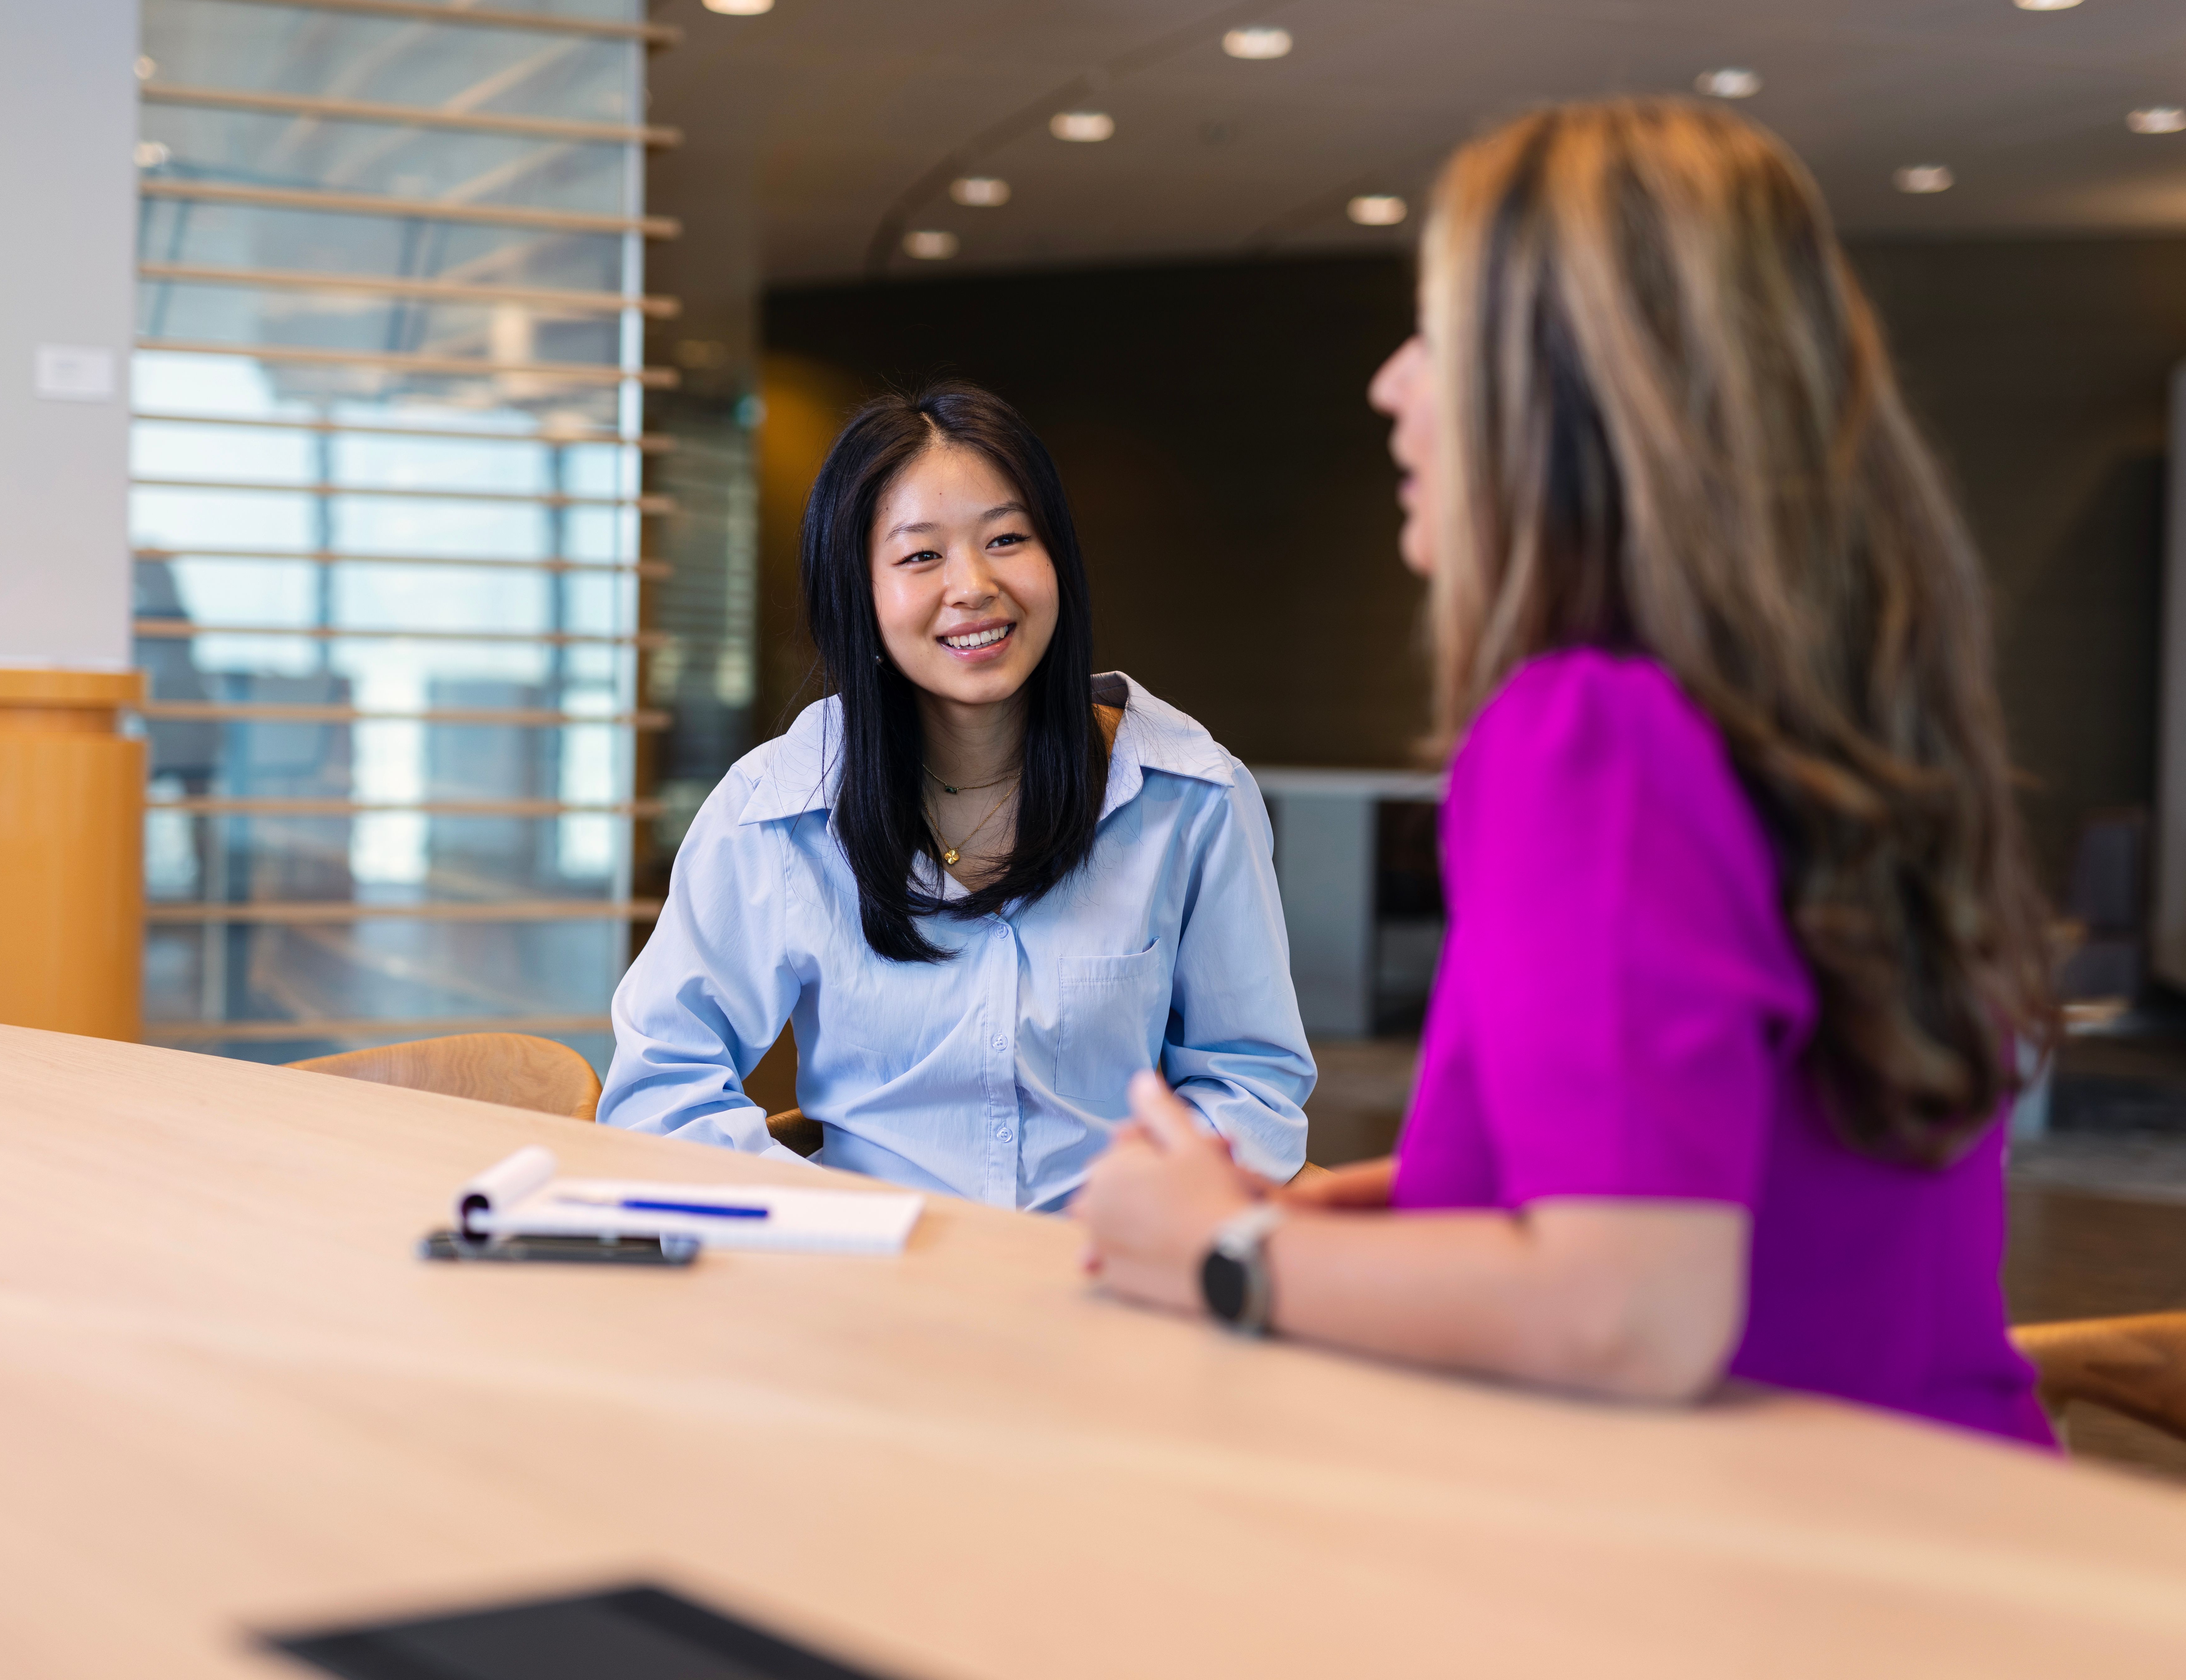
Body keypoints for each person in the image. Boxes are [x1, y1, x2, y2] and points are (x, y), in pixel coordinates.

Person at [1075, 98, 2059, 1445]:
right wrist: (1323, 1212)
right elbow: (1724, 1168)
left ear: (1561, 386)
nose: (1390, 385)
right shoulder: (1826, 722)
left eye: (1434, 333)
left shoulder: (1585, 733)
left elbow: (1626, 1310)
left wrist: (1221, 1251)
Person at [600, 382, 1312, 1209]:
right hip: (864, 1283)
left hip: (1102, 1283)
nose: (972, 585)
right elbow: (658, 1089)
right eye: (921, 556)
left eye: (1007, 539)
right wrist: (836, 1226)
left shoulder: (1190, 798)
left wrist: (1140, 1222)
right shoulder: (774, 811)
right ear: (859, 593)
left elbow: (1251, 1086)